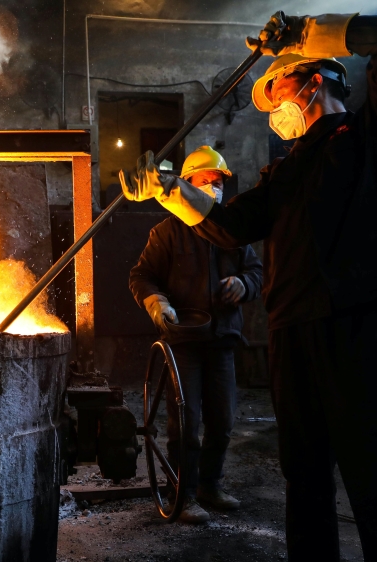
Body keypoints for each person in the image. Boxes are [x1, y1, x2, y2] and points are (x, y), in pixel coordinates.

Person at [119, 12, 377, 561]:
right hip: (293, 333)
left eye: (277, 90)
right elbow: (229, 225)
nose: (273, 109)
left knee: (376, 472)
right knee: (304, 476)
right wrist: (168, 191)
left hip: (357, 324)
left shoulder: (370, 134)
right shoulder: (283, 173)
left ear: (315, 81)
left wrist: (305, 33)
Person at [129, 146, 263, 524]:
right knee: (186, 424)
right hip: (183, 343)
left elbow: (256, 272)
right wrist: (157, 302)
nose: (213, 188)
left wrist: (244, 284)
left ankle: (209, 485)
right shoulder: (167, 233)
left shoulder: (231, 233)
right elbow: (141, 276)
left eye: (218, 182)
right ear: (186, 184)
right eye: (205, 181)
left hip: (222, 340)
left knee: (222, 422)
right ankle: (182, 493)